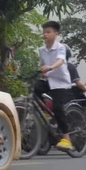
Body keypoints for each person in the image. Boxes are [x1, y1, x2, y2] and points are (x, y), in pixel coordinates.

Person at [36, 21, 74, 151]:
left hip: (60, 82)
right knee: (34, 89)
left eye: (48, 32)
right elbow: (42, 63)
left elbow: (60, 60)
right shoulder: (41, 50)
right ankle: (45, 113)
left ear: (55, 34)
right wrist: (41, 69)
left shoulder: (60, 47)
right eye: (44, 32)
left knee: (58, 109)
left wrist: (50, 67)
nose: (45, 34)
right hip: (49, 80)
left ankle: (67, 139)